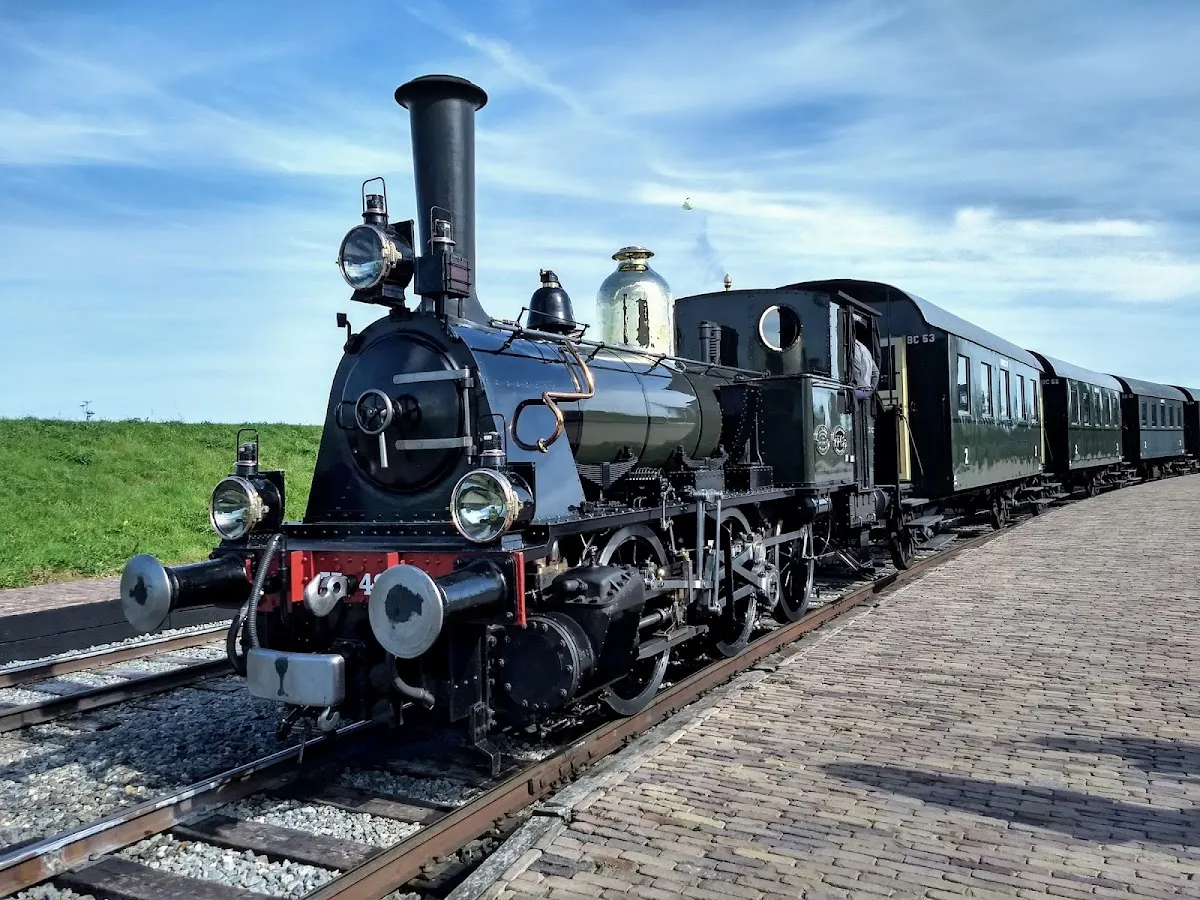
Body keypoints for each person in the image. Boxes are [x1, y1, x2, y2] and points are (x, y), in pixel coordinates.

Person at [850, 315, 880, 400]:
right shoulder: (866, 351)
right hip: (866, 391)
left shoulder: (851, 347)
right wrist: (870, 389)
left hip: (856, 390)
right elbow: (876, 373)